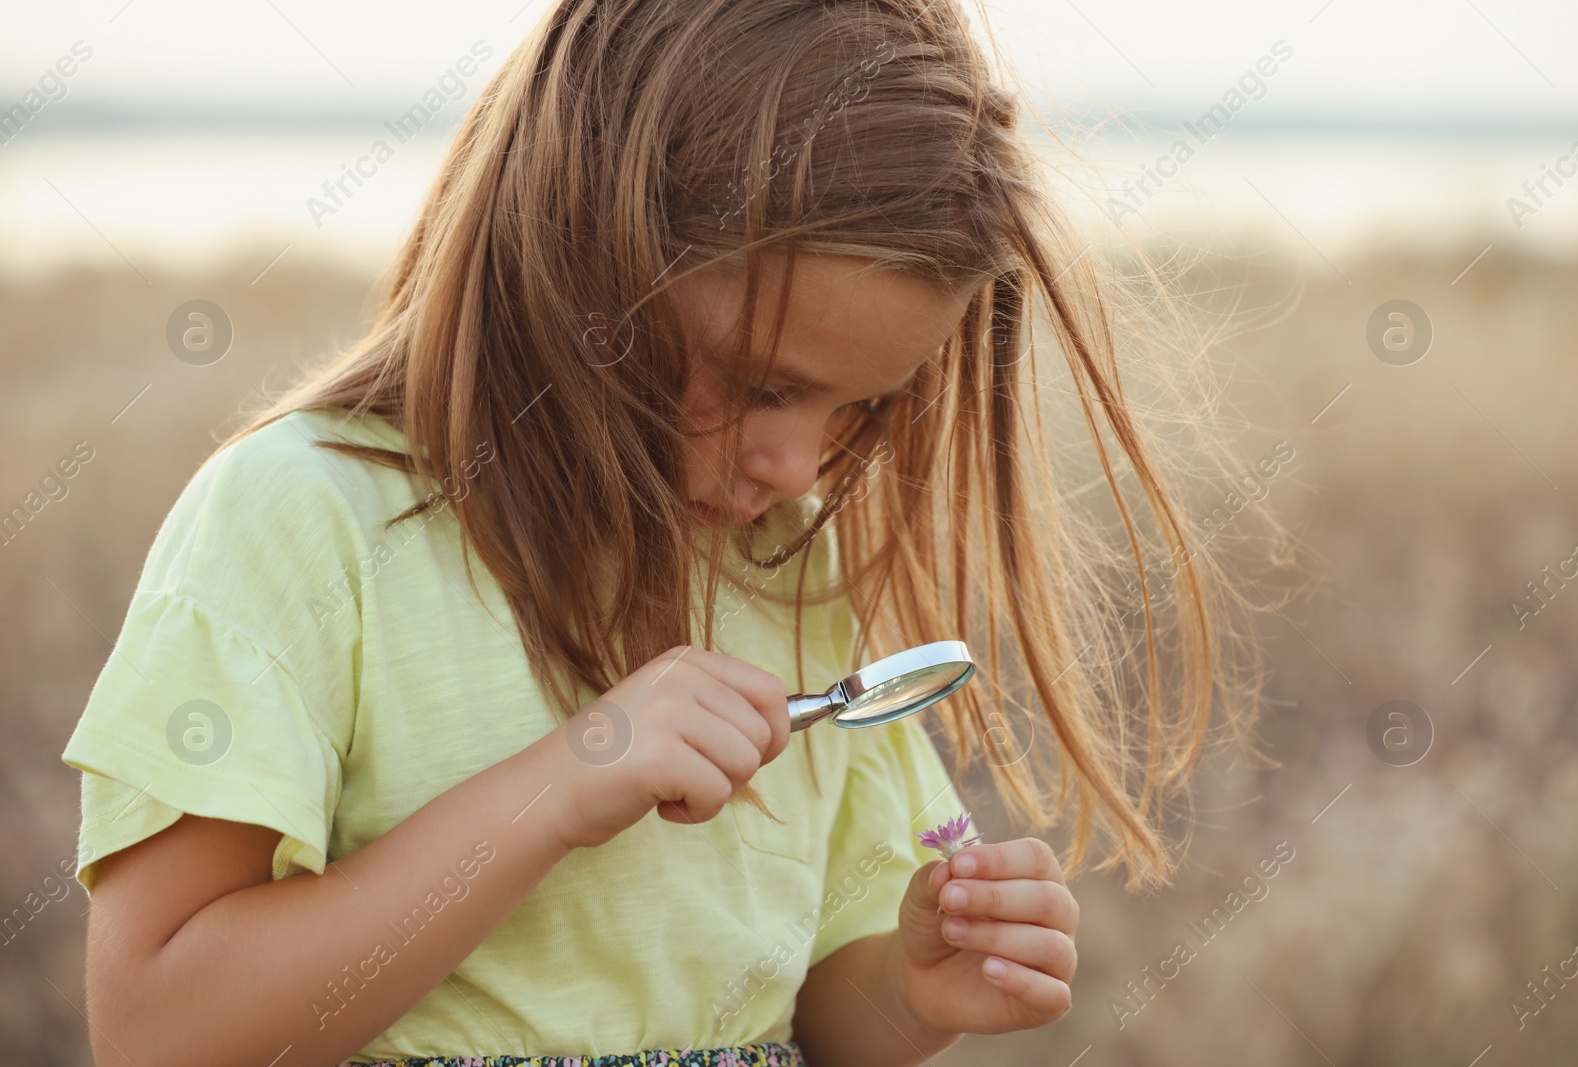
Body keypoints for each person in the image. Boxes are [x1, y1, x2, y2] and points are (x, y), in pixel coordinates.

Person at [60, 2, 1265, 1065]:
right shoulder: (302, 518)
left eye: (861, 408)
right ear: (584, 266)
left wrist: (910, 987)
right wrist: (563, 784)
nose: (794, 467)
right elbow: (161, 1028)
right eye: (761, 384)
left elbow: (821, 1005)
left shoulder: (786, 561)